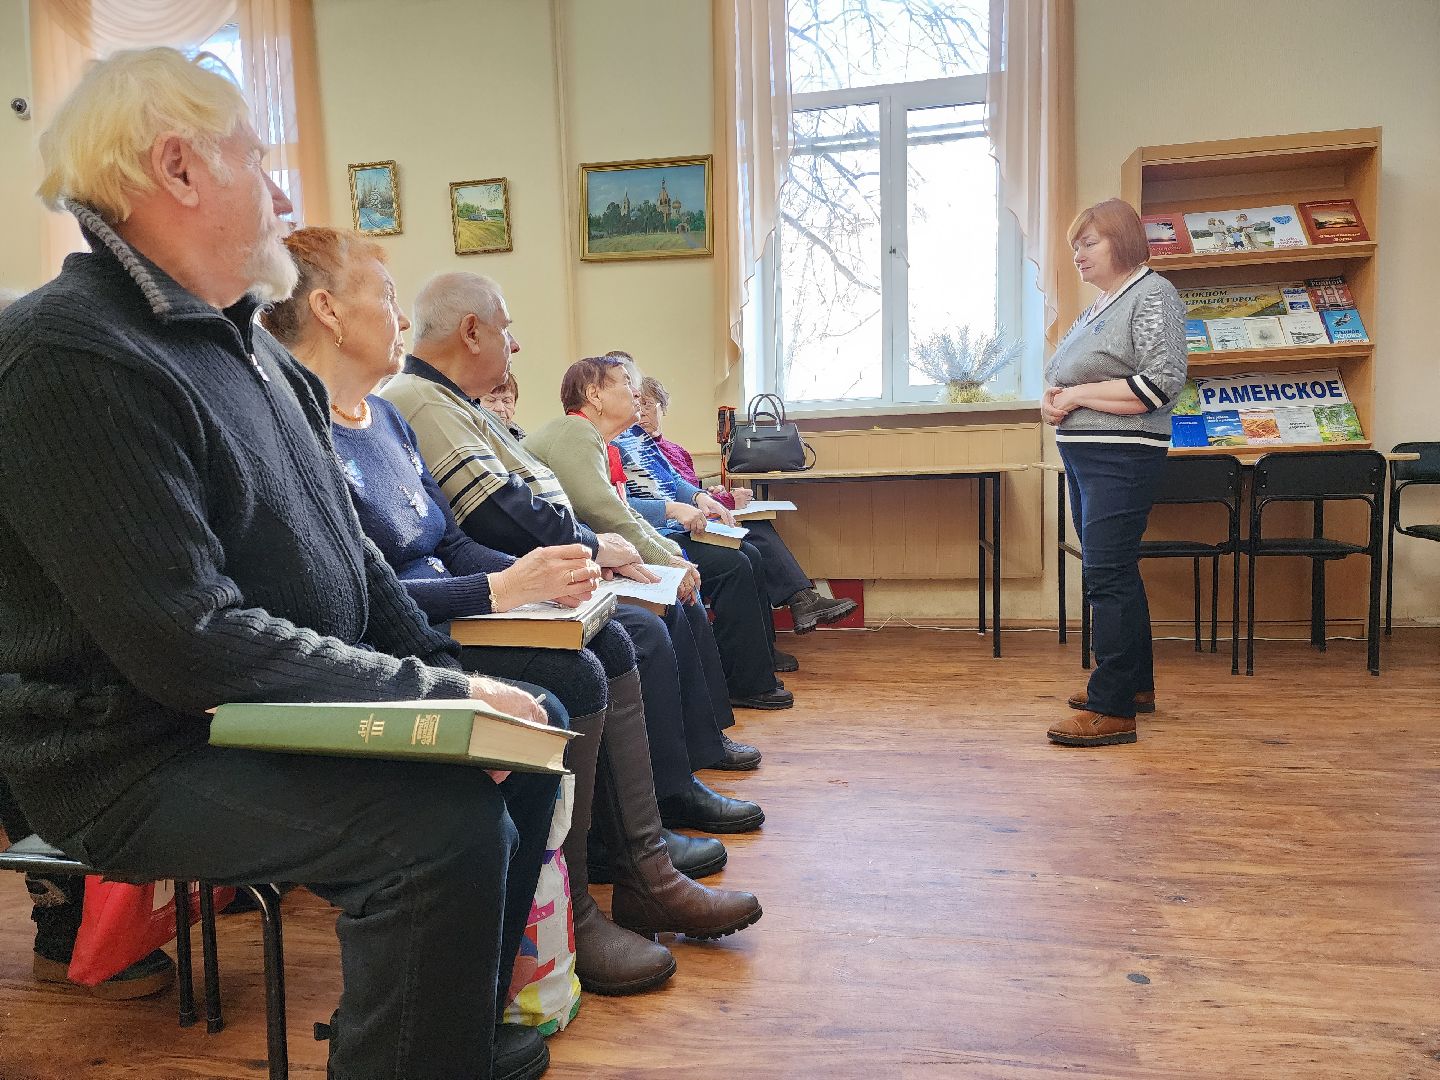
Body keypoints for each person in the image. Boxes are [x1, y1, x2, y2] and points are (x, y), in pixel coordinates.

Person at [0, 48, 558, 1080]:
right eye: (262, 162)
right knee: (432, 834)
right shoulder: (71, 357)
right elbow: (189, 645)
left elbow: (352, 558)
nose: (284, 193)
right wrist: (437, 691)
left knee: (528, 732)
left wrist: (454, 690)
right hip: (131, 755)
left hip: (244, 710)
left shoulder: (249, 347)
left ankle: (437, 1034)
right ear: (177, 170)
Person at [261, 226, 762, 996]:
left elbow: (455, 543)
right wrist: (504, 590)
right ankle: (578, 910)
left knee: (613, 645)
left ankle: (639, 871)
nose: (401, 320)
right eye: (388, 298)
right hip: (411, 633)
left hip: (451, 609)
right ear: (327, 310)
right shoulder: (302, 430)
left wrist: (546, 575)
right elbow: (357, 600)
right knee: (579, 677)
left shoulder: (386, 421)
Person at [379, 272, 767, 836]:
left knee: (658, 611)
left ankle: (674, 786)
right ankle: (650, 816)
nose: (514, 345)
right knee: (639, 630)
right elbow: (495, 511)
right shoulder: (416, 399)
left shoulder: (451, 403)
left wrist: (599, 553)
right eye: (504, 328)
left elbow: (503, 517)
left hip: (531, 564)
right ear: (470, 332)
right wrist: (589, 552)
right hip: (502, 580)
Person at [526, 358, 795, 712]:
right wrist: (667, 558)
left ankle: (711, 725)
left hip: (593, 553)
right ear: (594, 395)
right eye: (625, 382)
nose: (636, 392)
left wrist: (669, 553)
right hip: (568, 566)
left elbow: (620, 510)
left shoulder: (594, 438)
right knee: (686, 596)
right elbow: (604, 511)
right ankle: (711, 724)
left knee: (692, 588)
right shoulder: (576, 432)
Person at [1041, 197, 1187, 748]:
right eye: (1076, 245)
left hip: (1120, 456)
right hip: (1089, 454)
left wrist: (1074, 394)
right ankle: (1135, 687)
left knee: (1105, 575)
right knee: (1117, 571)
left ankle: (1112, 709)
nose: (1078, 254)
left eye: (1089, 243)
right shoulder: (1102, 304)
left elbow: (1160, 383)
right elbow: (1062, 374)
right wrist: (1053, 399)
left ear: (1122, 241)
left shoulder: (1153, 294)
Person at [620, 365, 858, 641]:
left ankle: (786, 620)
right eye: (638, 403)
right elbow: (667, 498)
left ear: (663, 408)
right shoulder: (634, 451)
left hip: (698, 515)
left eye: (648, 404)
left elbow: (689, 489)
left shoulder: (675, 451)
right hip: (678, 525)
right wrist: (726, 498)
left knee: (757, 535)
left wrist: (712, 492)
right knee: (752, 544)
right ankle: (797, 603)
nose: (643, 412)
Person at [479, 371, 526, 440]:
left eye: (506, 401)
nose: (500, 408)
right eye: (491, 400)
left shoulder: (521, 438)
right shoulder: (465, 433)